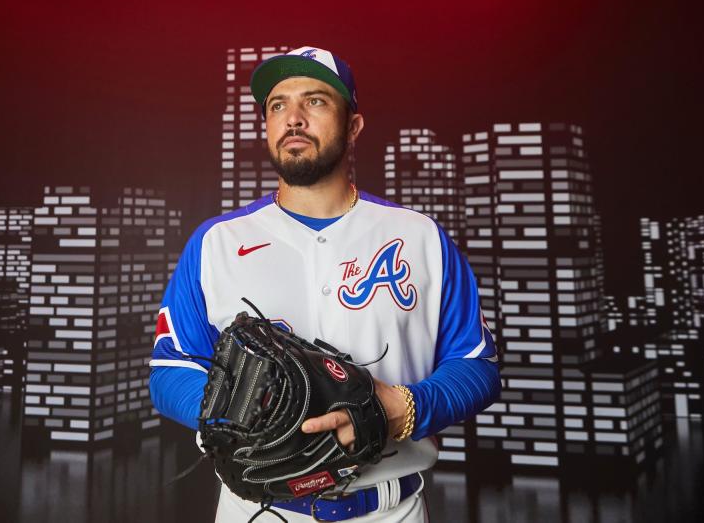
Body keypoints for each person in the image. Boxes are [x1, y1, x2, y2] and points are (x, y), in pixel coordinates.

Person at [150, 46, 501, 522]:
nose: (293, 118)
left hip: (389, 511)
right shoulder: (215, 242)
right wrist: (253, 415)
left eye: (315, 101)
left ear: (354, 125)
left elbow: (477, 365)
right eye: (278, 105)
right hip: (258, 511)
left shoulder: (419, 237)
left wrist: (406, 407)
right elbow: (170, 369)